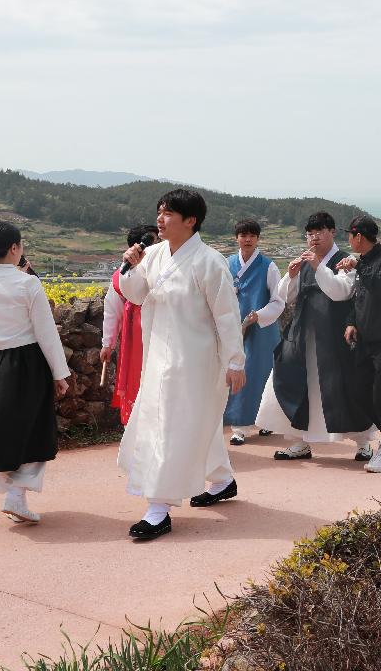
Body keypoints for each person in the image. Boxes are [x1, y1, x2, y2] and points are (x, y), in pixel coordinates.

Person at [117, 189, 246, 540]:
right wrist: (128, 267)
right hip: (159, 356)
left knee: (172, 429)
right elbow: (136, 294)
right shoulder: (154, 255)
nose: (160, 219)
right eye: (159, 211)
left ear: (190, 221)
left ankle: (159, 508)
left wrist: (235, 361)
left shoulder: (209, 262)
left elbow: (227, 316)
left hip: (195, 362)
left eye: (169, 213)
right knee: (194, 425)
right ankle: (222, 480)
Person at [0, 222, 72, 525]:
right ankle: (17, 495)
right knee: (34, 427)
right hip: (25, 361)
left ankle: (11, 493)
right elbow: (46, 332)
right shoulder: (28, 284)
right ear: (14, 248)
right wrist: (59, 374)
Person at [255, 212, 378, 462]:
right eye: (310, 234)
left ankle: (363, 442)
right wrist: (290, 275)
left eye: (319, 232)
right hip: (303, 335)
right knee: (292, 382)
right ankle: (299, 441)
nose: (314, 238)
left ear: (332, 232)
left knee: (346, 388)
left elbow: (340, 292)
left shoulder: (345, 261)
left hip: (335, 337)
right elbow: (285, 297)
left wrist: (316, 266)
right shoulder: (304, 262)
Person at [319, 215, 381, 473]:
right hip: (366, 340)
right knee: (358, 391)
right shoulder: (363, 263)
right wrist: (351, 321)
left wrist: (358, 267)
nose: (348, 239)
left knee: (380, 395)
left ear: (359, 236)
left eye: (349, 235)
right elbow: (358, 299)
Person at [225, 219, 286, 445]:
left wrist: (258, 316)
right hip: (233, 329)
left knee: (261, 375)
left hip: (262, 330)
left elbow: (279, 301)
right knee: (235, 373)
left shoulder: (268, 266)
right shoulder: (227, 264)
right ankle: (239, 427)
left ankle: (266, 422)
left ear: (258, 238)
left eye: (252, 235)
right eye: (243, 235)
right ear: (237, 238)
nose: (247, 239)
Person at [101, 224, 158, 426]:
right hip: (135, 339)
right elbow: (112, 311)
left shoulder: (166, 271)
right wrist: (107, 344)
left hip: (163, 331)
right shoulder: (120, 276)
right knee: (136, 378)